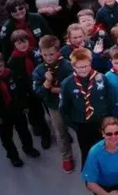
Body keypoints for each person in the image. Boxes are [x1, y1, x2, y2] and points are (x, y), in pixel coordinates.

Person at [60, 48, 114, 169]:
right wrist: (74, 125)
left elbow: (110, 98)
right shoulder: (67, 84)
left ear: (91, 63)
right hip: (81, 124)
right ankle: (89, 171)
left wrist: (109, 118)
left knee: (104, 146)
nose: (83, 69)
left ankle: (106, 167)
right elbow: (64, 108)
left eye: (86, 66)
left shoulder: (101, 78)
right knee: (86, 149)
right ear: (73, 66)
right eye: (79, 67)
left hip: (101, 121)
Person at [32, 35, 75, 173]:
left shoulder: (68, 66)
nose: (49, 57)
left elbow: (76, 85)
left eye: (51, 54)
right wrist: (47, 83)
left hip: (72, 104)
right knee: (60, 133)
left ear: (58, 52)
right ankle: (67, 158)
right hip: (54, 106)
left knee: (81, 130)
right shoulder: (39, 70)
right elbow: (38, 93)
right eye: (45, 54)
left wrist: (58, 89)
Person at [0, 52, 41, 167]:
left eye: (0, 66)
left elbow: (20, 91)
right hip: (1, 116)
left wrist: (25, 106)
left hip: (17, 110)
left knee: (24, 132)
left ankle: (28, 148)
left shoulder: (11, 74)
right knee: (6, 138)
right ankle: (13, 156)